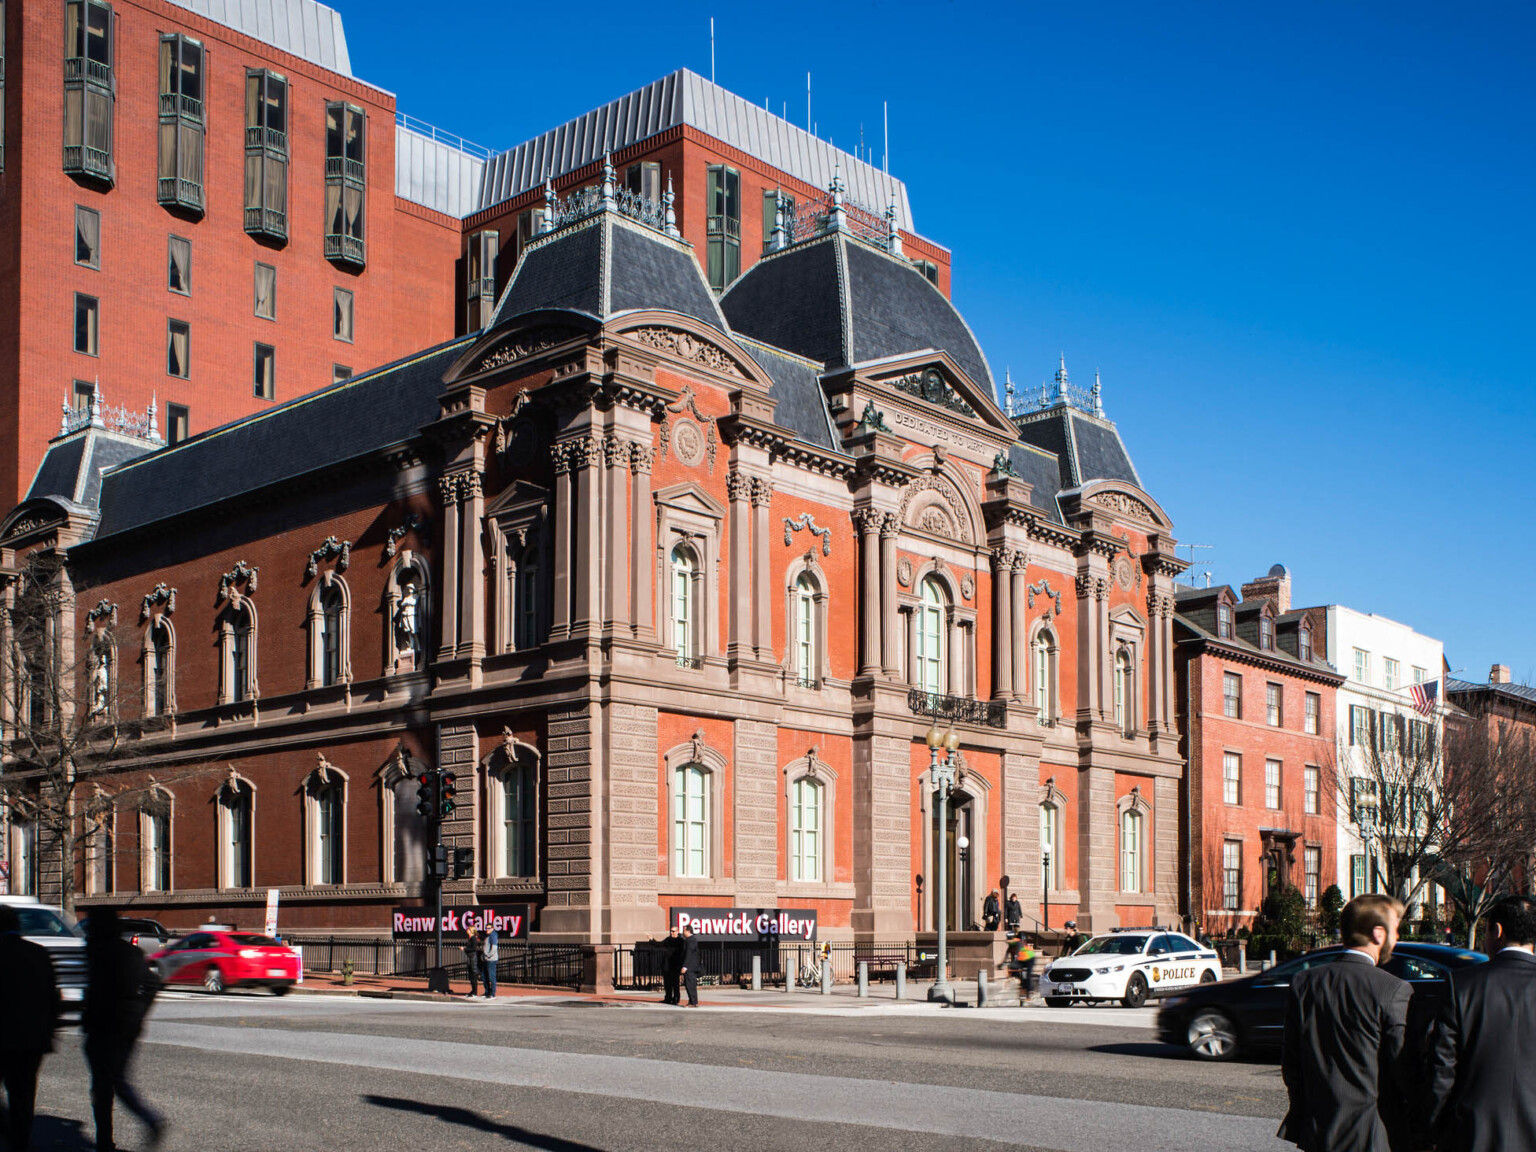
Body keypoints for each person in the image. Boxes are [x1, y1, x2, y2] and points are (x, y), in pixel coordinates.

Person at [1279, 894, 1408, 1152]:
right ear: (1378, 934)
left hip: (1317, 1129)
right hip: (1370, 1132)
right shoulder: (1393, 989)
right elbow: (1402, 1070)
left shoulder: (1305, 983)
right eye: (1396, 931)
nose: (1398, 939)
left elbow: (1292, 1062)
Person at [1425, 895, 1536, 1151]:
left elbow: (1442, 1068)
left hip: (1471, 1132)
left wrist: (1432, 1128)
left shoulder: (1462, 984)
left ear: (1497, 931)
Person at [82, 908, 164, 1152]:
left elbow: (94, 991)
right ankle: (140, 1123)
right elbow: (152, 983)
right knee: (115, 1078)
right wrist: (140, 1011)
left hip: (102, 1025)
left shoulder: (96, 951)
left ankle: (108, 1140)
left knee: (105, 1085)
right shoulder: (131, 952)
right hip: (128, 1024)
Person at [0, 903, 60, 1152]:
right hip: (31, 1039)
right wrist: (48, 1031)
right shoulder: (39, 953)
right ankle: (20, 1143)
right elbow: (53, 998)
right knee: (23, 1098)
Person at [661, 925, 683, 1005]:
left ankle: (676, 998)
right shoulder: (668, 939)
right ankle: (668, 998)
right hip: (667, 965)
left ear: (677, 931)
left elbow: (683, 954)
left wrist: (682, 965)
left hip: (675, 965)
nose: (671, 933)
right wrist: (651, 939)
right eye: (671, 931)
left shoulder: (681, 941)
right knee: (667, 983)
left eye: (673, 931)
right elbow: (660, 944)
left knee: (675, 984)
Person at [679, 923, 700, 1007]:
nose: (683, 932)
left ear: (688, 931)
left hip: (690, 968)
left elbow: (689, 954)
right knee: (691, 985)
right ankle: (693, 1001)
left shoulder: (690, 940)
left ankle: (693, 1002)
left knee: (690, 985)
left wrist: (685, 966)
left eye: (684, 931)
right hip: (691, 967)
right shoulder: (692, 940)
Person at [462, 927, 482, 999]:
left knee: (473, 974)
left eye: (468, 929)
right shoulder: (470, 938)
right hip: (470, 957)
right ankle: (473, 991)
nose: (467, 930)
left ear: (471, 931)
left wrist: (464, 948)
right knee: (470, 974)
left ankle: (474, 992)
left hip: (473, 958)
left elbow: (473, 948)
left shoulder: (473, 938)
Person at [481, 925, 499, 999]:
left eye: (489, 928)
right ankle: (487, 992)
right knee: (484, 976)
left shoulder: (493, 935)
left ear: (492, 928)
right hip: (486, 959)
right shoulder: (489, 936)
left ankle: (492, 993)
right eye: (486, 928)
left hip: (491, 960)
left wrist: (489, 955)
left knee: (491, 976)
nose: (487, 929)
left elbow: (494, 947)